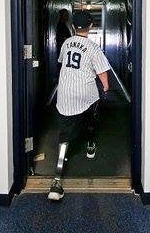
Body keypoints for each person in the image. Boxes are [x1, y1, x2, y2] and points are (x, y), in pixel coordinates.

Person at [48, 10, 110, 201]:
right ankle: (90, 143)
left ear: (74, 26)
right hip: (86, 92)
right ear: (91, 26)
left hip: (65, 93)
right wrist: (106, 88)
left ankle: (57, 181)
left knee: (64, 134)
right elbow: (103, 74)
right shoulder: (93, 47)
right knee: (92, 115)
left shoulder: (67, 43)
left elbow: (61, 62)